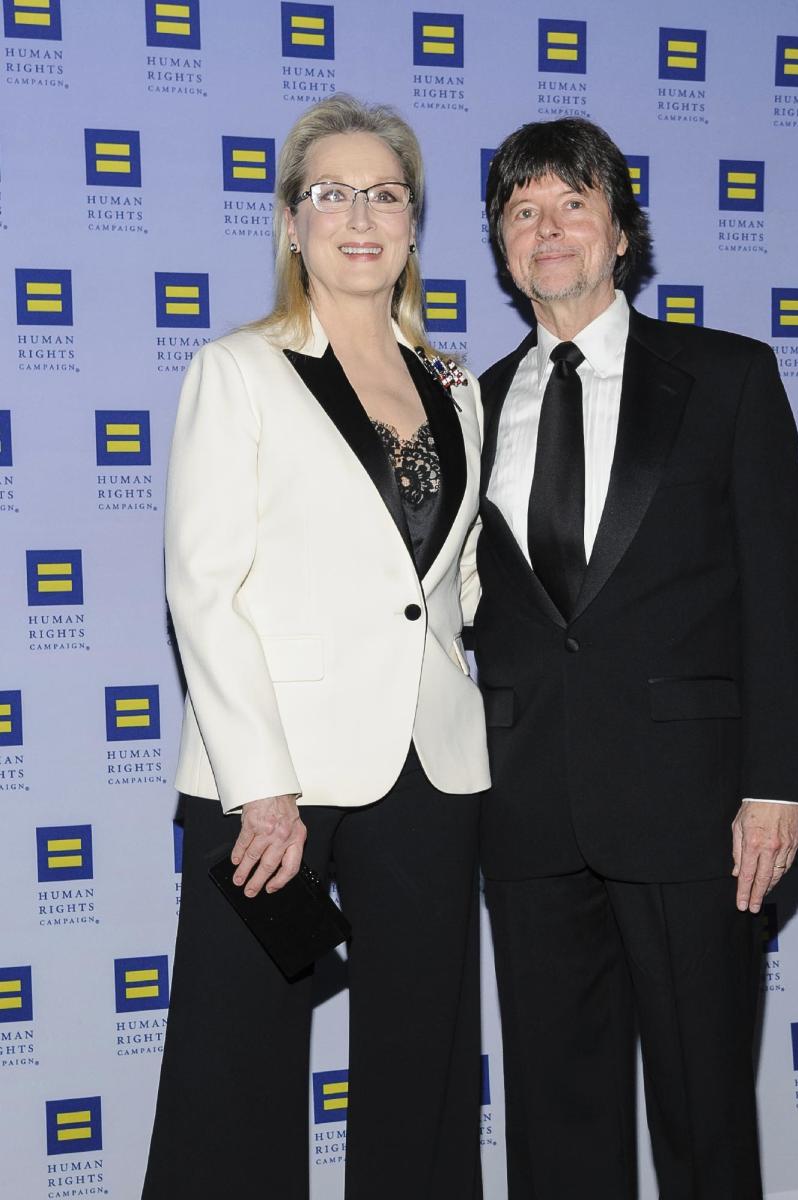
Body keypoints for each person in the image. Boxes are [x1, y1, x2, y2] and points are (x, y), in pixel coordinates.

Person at [141, 94, 489, 1200]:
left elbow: (453, 584)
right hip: (274, 773)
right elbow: (203, 589)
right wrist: (262, 788)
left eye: (383, 193)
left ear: (412, 225)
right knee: (231, 1064)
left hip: (429, 766)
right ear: (292, 223)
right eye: (329, 192)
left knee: (425, 1060)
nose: (358, 214)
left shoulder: (458, 389)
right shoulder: (238, 370)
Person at [473, 117, 798, 1199]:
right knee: (556, 1111)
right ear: (499, 245)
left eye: (573, 205)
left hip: (694, 807)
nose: (549, 230)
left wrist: (777, 787)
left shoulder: (725, 377)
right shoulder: (470, 406)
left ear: (621, 232)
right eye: (522, 211)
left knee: (704, 1111)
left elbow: (778, 592)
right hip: (529, 807)